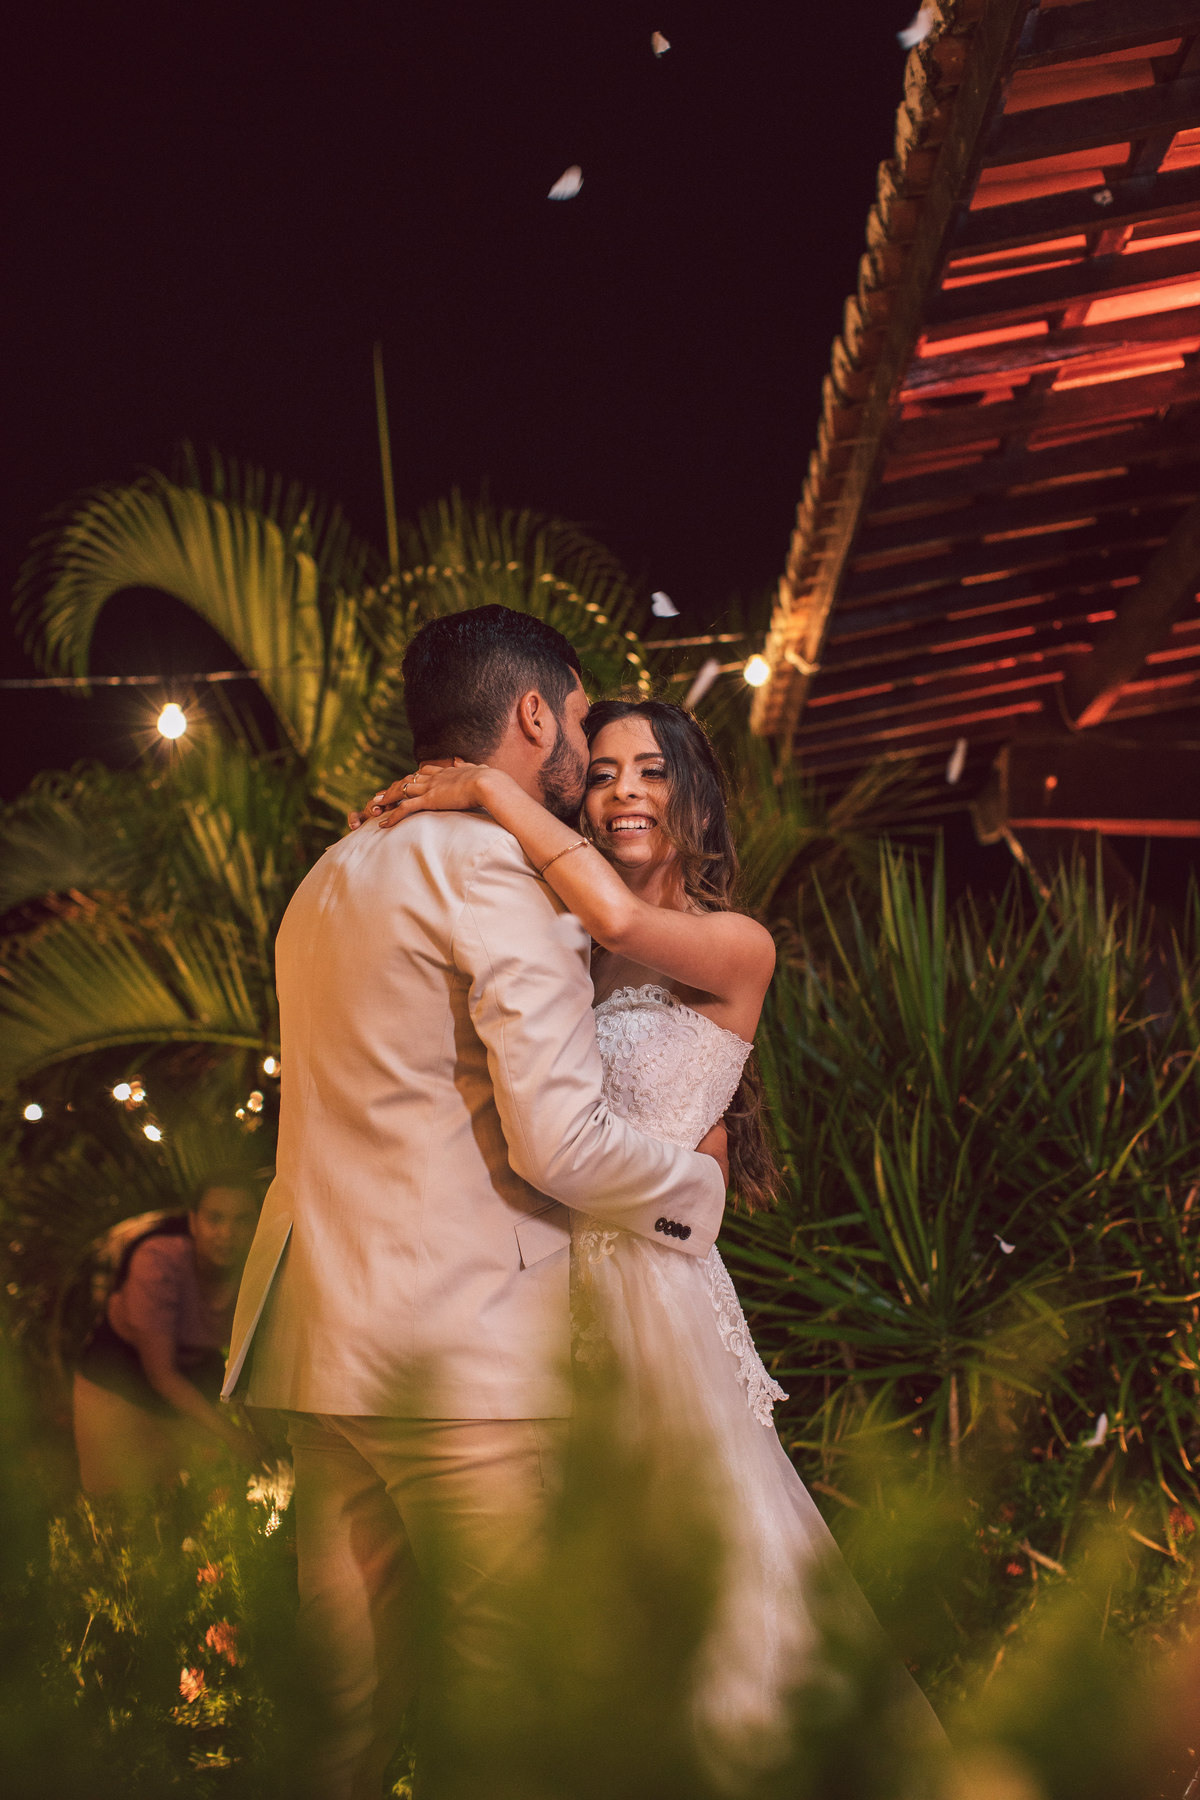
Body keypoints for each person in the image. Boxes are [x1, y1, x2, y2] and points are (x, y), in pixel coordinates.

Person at [370, 696, 944, 1773]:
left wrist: (490, 787)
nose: (624, 791)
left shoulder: (734, 944)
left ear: (697, 798)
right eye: (603, 774)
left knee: (696, 1557)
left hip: (655, 1291)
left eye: (652, 771)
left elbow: (630, 927)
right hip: (539, 1273)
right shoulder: (562, 948)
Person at [222, 608, 729, 1800]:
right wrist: (693, 1192)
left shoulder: (332, 871)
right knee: (515, 1716)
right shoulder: (498, 871)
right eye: (584, 718)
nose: (593, 749)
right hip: (464, 1366)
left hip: (321, 1352)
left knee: (336, 1730)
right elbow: (557, 1140)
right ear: (536, 712)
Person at [73, 1178, 262, 1495]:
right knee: (118, 1500)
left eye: (241, 1220)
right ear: (194, 1221)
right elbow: (161, 1372)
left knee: (185, 1499)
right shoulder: (158, 1261)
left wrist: (265, 1436)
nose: (227, 1234)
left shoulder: (257, 1272)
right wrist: (236, 1437)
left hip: (187, 1385)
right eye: (215, 1219)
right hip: (116, 1380)